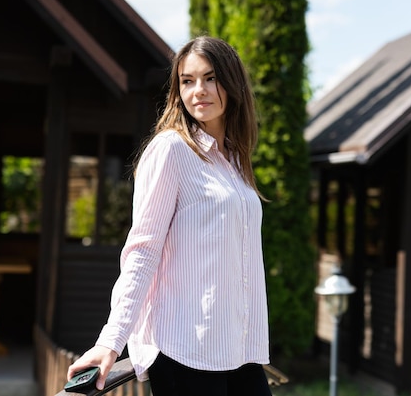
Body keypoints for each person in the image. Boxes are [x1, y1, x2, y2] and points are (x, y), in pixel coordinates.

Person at [67, 36, 272, 396]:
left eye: (210, 78)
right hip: (186, 350)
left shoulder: (236, 161)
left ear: (232, 83)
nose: (199, 91)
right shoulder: (171, 150)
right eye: (187, 81)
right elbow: (142, 252)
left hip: (239, 351)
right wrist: (110, 341)